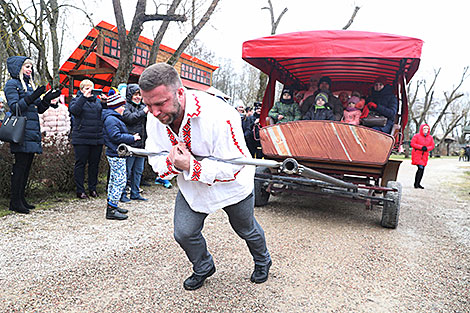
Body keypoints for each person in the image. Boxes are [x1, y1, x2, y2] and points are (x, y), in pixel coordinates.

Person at [139, 63, 272, 291]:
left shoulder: (220, 114)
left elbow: (234, 166)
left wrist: (191, 164)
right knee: (184, 232)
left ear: (180, 92)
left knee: (246, 229)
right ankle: (203, 266)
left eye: (160, 103)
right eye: (148, 105)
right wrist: (175, 164)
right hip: (193, 187)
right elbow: (156, 160)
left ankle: (263, 260)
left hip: (232, 186)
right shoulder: (154, 117)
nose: (155, 112)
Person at [4, 56, 60, 214]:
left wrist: (47, 100)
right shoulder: (12, 84)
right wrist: (32, 97)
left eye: (30, 66)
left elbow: (38, 109)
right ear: (18, 68)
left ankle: (21, 199)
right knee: (20, 167)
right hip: (20, 132)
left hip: (31, 131)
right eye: (26, 66)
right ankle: (15, 202)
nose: (30, 69)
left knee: (26, 167)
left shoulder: (27, 85)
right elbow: (15, 108)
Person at [102, 93, 141, 220]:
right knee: (119, 181)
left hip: (116, 153)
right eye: (121, 106)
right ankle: (111, 209)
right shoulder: (111, 119)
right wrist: (132, 138)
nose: (124, 108)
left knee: (114, 180)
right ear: (115, 106)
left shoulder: (112, 118)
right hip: (116, 153)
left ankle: (112, 204)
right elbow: (115, 136)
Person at [69, 79, 106, 199]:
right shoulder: (76, 100)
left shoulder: (97, 102)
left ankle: (92, 188)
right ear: (81, 90)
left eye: (91, 88)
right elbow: (74, 111)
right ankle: (80, 190)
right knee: (81, 164)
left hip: (96, 138)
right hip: (81, 138)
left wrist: (105, 102)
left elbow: (102, 115)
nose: (89, 91)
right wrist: (83, 97)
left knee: (94, 165)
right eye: (86, 88)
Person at [120, 84, 148, 201]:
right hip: (130, 145)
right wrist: (144, 112)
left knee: (138, 171)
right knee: (127, 170)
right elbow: (130, 118)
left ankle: (135, 193)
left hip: (142, 145)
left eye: (139, 95)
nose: (138, 97)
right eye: (135, 94)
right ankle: (122, 194)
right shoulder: (125, 106)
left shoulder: (143, 107)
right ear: (130, 95)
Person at [411, 124, 435, 189]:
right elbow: (412, 143)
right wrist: (421, 147)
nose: (426, 130)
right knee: (420, 168)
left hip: (424, 155)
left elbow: (432, 145)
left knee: (422, 169)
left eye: (427, 129)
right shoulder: (416, 136)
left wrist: (427, 148)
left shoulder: (430, 137)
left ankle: (418, 183)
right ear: (421, 129)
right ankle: (416, 184)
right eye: (424, 129)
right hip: (417, 154)